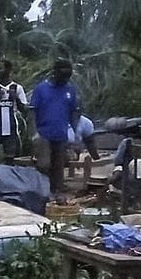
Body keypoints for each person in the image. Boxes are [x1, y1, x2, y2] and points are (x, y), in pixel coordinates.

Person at [30, 59, 80, 198]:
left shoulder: (70, 89)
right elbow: (32, 111)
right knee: (44, 165)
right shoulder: (41, 89)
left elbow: (74, 111)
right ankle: (43, 194)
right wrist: (34, 132)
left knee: (59, 166)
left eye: (68, 76)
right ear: (55, 73)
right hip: (43, 134)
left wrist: (73, 132)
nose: (65, 79)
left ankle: (57, 194)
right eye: (63, 76)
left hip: (61, 134)